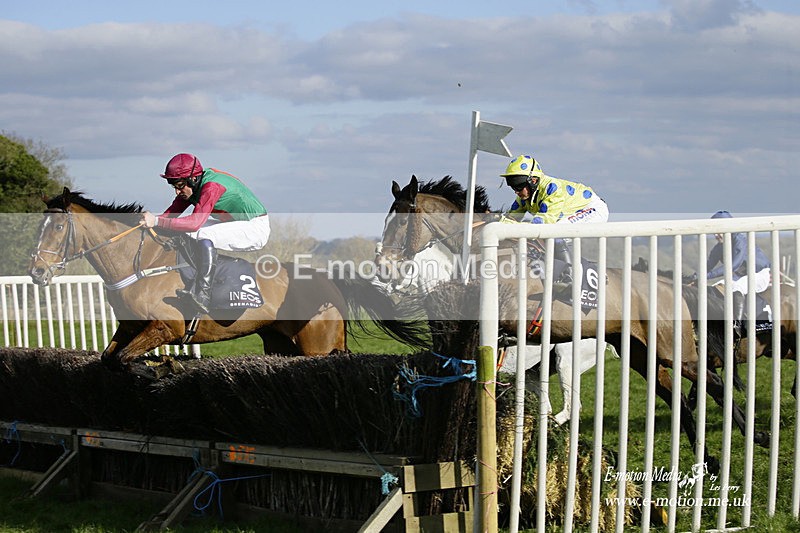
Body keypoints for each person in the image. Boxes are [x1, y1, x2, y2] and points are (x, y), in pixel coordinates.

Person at [140, 153, 270, 314]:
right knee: (184, 232)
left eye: (179, 185)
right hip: (234, 223)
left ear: (193, 179)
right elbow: (169, 217)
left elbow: (194, 223)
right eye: (174, 186)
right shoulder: (190, 187)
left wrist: (157, 221)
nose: (177, 191)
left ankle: (202, 294)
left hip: (255, 227)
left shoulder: (211, 187)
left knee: (201, 233)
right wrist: (144, 223)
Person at [500, 154, 609, 288]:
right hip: (571, 213)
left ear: (533, 180)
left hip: (593, 209)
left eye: (518, 185)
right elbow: (510, 219)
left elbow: (541, 224)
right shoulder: (523, 197)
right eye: (512, 186)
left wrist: (507, 223)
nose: (516, 191)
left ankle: (570, 277)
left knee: (555, 232)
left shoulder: (553, 189)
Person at [684, 210, 771, 324]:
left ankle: (736, 325)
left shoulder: (740, 242)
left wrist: (705, 276)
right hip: (740, 275)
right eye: (714, 232)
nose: (716, 235)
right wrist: (694, 277)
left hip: (759, 274)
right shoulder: (719, 247)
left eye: (719, 231)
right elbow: (709, 265)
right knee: (716, 287)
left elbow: (733, 267)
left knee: (737, 288)